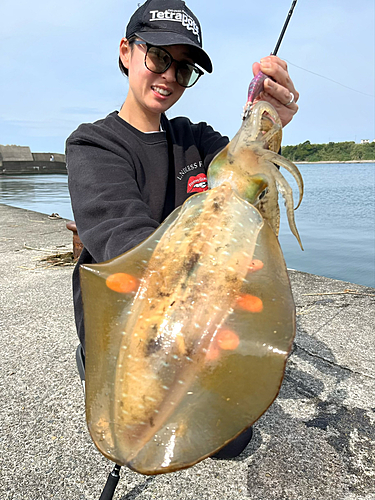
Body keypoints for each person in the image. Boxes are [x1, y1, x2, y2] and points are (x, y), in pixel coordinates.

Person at [66, 0, 299, 458]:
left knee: (233, 438)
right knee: (147, 421)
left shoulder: (197, 138)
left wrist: (269, 121)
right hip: (131, 308)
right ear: (126, 52)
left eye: (184, 68)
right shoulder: (94, 144)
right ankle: (92, 356)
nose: (170, 77)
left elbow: (246, 173)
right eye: (159, 58)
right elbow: (121, 238)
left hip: (197, 303)